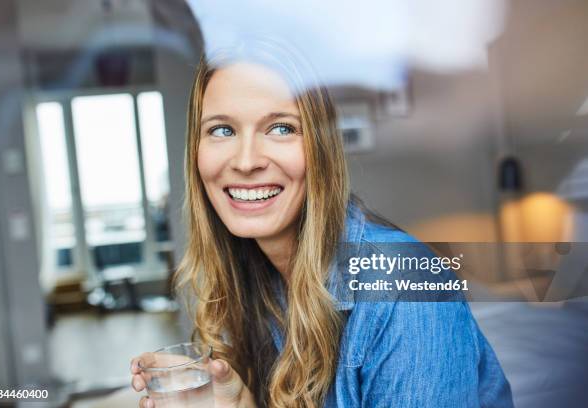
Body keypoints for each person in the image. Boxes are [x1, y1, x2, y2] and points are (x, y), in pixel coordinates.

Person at [130, 39, 513, 407]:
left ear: (320, 149)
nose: (246, 161)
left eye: (281, 128)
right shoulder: (255, 277)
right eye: (222, 130)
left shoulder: (402, 291)